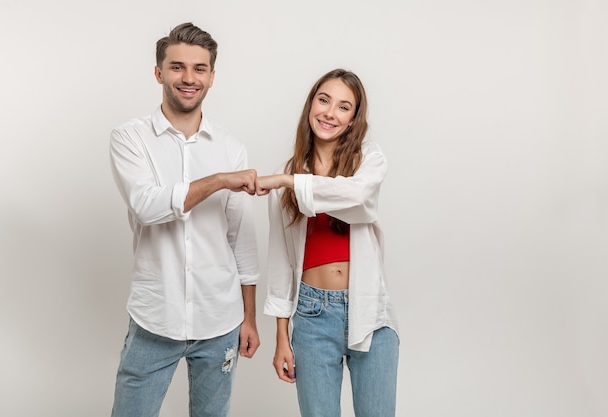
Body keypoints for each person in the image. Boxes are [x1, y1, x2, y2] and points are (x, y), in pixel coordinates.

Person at [108, 22, 260, 417]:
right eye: (177, 67)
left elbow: (241, 241)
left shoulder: (231, 148)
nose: (188, 78)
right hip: (154, 318)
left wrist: (249, 318)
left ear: (211, 76)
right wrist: (219, 181)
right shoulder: (130, 139)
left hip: (220, 320)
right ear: (159, 73)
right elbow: (147, 205)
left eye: (199, 68)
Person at [256, 69, 399, 417]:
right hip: (312, 315)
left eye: (343, 107)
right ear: (311, 105)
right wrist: (281, 336)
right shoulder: (289, 175)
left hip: (370, 311)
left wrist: (287, 179)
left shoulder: (368, 161)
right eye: (324, 100)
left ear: (353, 120)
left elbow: (356, 195)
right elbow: (280, 262)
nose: (330, 113)